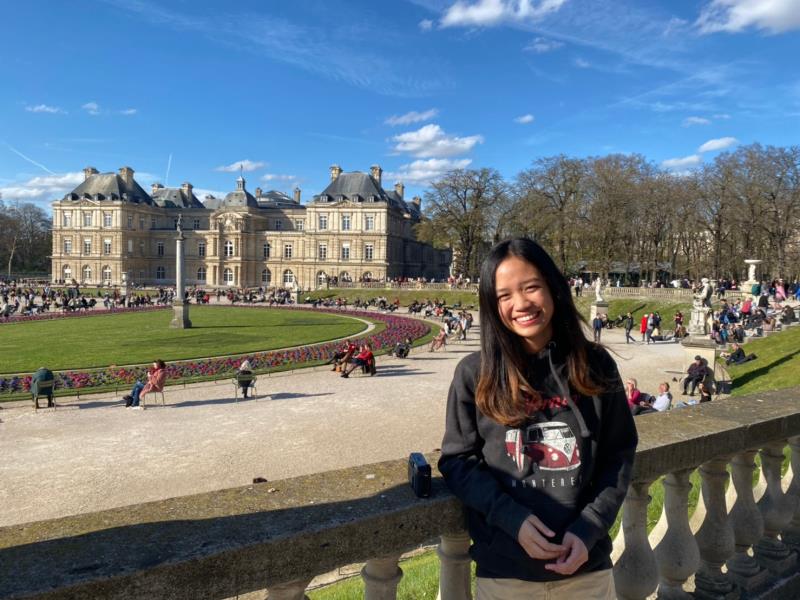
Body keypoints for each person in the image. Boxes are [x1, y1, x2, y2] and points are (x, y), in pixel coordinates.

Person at [439, 238, 637, 599]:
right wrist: (511, 518)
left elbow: (618, 455)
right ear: (492, 304)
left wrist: (589, 526)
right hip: (506, 575)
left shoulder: (594, 365)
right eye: (504, 295)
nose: (521, 304)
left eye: (531, 287)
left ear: (553, 288)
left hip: (587, 571)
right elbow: (458, 461)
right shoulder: (475, 374)